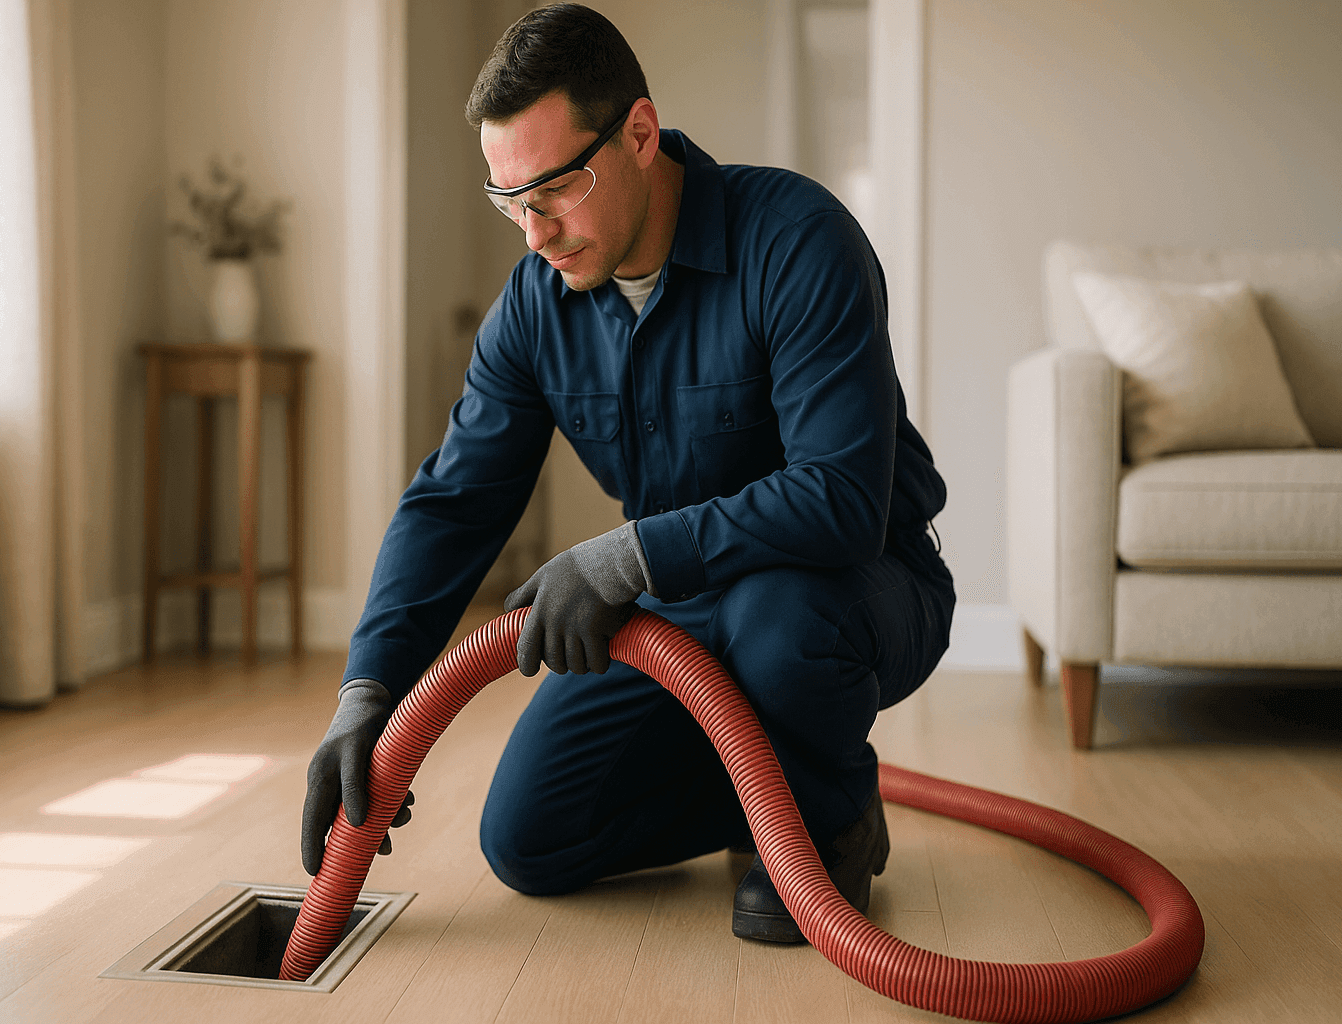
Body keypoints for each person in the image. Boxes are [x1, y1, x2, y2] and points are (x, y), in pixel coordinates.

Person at [302, 2, 954, 944]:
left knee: (780, 619)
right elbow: (454, 501)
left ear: (639, 134)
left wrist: (628, 555)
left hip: (855, 589)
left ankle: (828, 822)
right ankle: (762, 794)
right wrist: (370, 689)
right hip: (682, 612)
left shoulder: (798, 241)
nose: (534, 232)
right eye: (510, 200)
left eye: (556, 190)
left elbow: (843, 501)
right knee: (529, 839)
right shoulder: (538, 304)